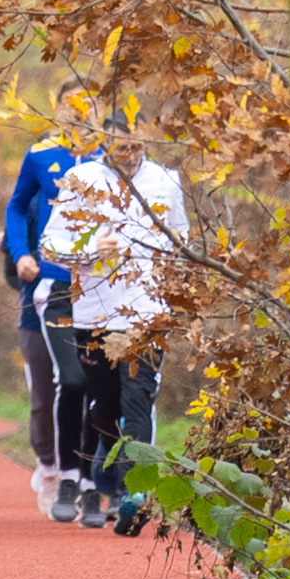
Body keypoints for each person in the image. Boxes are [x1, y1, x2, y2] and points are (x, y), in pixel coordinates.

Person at [43, 129, 191, 530]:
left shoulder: (165, 180)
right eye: (122, 147)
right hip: (95, 314)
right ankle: (117, 466)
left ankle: (134, 495)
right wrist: (90, 252)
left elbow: (181, 237)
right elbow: (49, 245)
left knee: (138, 399)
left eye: (137, 146)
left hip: (147, 314)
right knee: (105, 407)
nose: (130, 154)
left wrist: (176, 279)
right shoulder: (81, 179)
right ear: (104, 145)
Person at [0, 127, 86, 518]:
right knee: (43, 397)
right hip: (33, 307)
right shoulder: (34, 199)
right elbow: (12, 253)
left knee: (79, 385)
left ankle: (80, 474)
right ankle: (49, 466)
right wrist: (22, 261)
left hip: (80, 299)